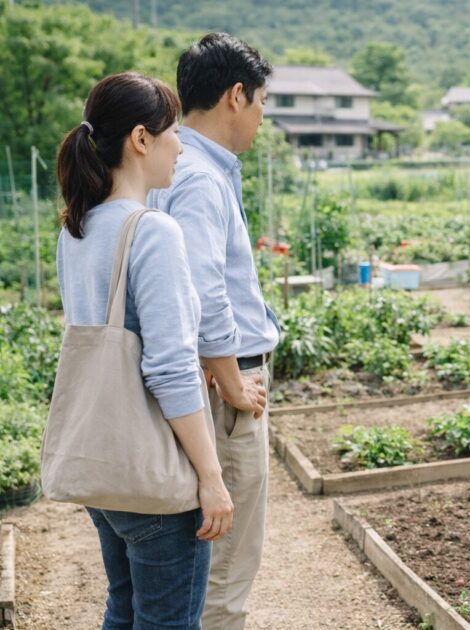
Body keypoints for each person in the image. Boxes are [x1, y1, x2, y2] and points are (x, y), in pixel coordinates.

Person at [55, 72, 234, 628]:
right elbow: (171, 368)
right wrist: (211, 475)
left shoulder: (77, 229)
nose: (180, 145)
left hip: (104, 468)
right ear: (140, 139)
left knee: (124, 608)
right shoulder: (153, 231)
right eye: (172, 131)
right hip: (153, 479)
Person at [148, 32, 276, 630]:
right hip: (227, 387)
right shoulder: (200, 176)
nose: (260, 117)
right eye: (261, 102)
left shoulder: (180, 164)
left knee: (204, 568)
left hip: (214, 381)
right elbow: (202, 290)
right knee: (224, 573)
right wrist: (230, 378)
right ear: (235, 95)